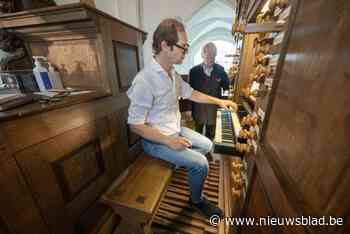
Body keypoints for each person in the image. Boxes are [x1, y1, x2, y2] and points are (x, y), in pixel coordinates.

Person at [127, 18, 237, 219]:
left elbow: (192, 93)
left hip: (175, 129)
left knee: (207, 145)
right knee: (201, 163)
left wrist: (219, 102)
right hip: (155, 140)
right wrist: (170, 141)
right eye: (183, 47)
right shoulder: (144, 80)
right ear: (165, 45)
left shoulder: (173, 74)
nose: (185, 52)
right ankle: (196, 201)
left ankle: (181, 163)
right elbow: (135, 125)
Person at [189, 42, 230, 140]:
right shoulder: (194, 71)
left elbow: (226, 86)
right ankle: (198, 151)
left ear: (215, 55)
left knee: (211, 134)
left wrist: (229, 79)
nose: (211, 58)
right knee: (197, 133)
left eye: (213, 55)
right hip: (198, 109)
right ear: (202, 55)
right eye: (208, 55)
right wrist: (189, 109)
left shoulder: (220, 70)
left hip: (213, 109)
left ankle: (208, 150)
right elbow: (189, 91)